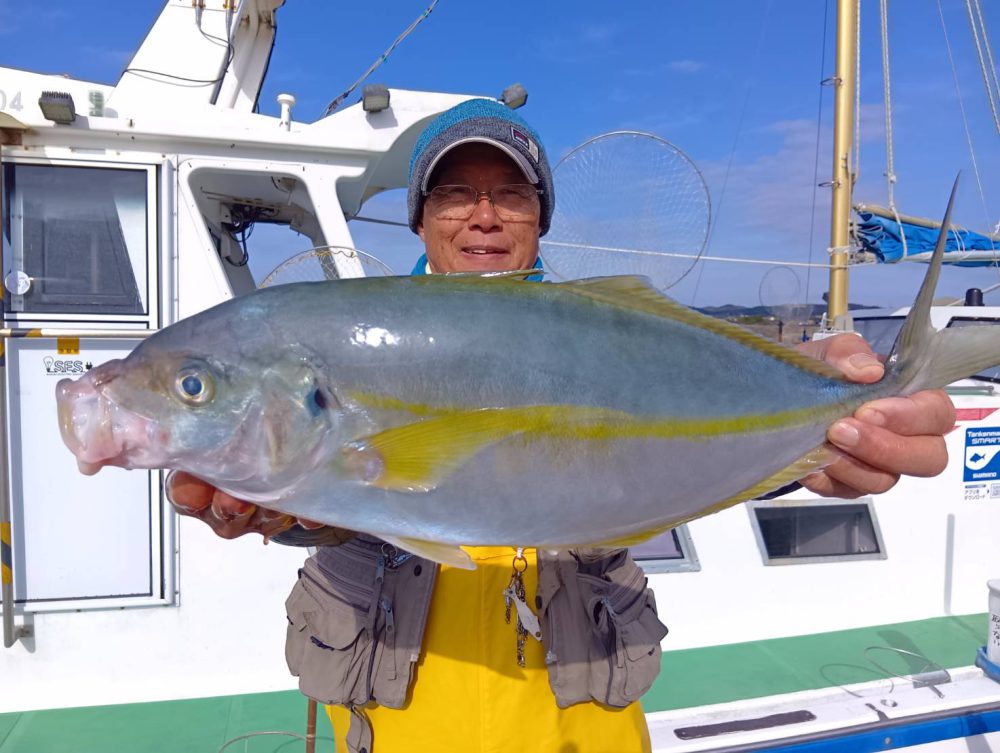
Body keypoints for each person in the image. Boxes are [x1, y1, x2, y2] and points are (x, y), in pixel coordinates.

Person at [167, 99, 956, 753]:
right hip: (403, 711)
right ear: (419, 221)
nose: (482, 214)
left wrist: (818, 433)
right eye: (454, 194)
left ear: (539, 217)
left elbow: (684, 431)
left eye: (509, 193)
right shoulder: (355, 340)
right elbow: (353, 496)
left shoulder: (612, 341)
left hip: (578, 714)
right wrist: (287, 512)